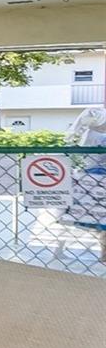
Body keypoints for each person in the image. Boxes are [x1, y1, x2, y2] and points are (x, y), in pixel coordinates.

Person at [61, 107, 106, 262]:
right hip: (99, 178)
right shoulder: (95, 135)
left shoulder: (90, 134)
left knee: (100, 223)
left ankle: (104, 254)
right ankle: (104, 255)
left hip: (92, 179)